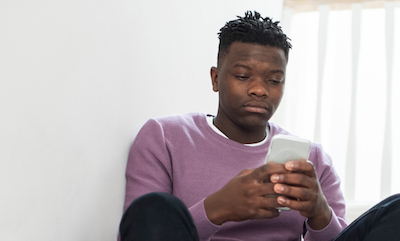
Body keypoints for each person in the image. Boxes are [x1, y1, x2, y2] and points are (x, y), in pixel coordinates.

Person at [120, 11, 348, 241]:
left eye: (274, 80)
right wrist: (218, 208)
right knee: (154, 208)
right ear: (215, 79)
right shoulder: (163, 138)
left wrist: (321, 214)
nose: (259, 90)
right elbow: (140, 232)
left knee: (386, 212)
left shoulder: (314, 161)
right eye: (242, 76)